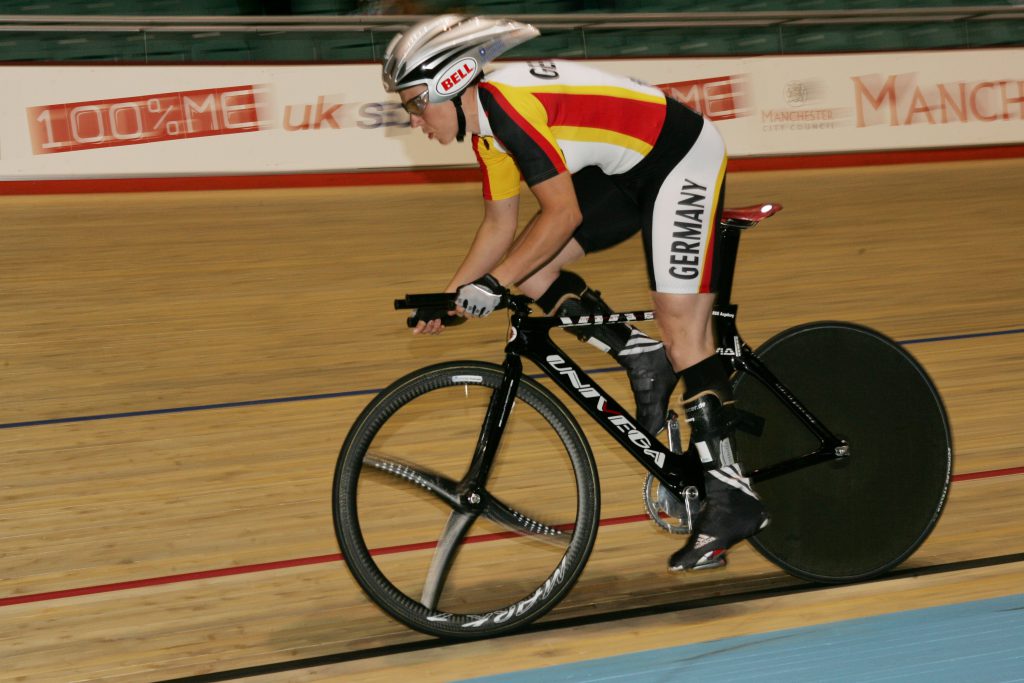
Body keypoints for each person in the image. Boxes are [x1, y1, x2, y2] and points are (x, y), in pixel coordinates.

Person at [381, 15, 768, 571]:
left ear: (450, 81)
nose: (411, 118)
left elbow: (562, 215)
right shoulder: (487, 127)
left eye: (414, 103)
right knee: (532, 268)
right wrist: (451, 298)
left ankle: (733, 502)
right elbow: (500, 227)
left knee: (682, 328)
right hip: (625, 169)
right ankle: (640, 357)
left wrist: (494, 283)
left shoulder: (507, 113)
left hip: (680, 158)